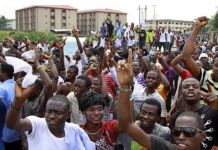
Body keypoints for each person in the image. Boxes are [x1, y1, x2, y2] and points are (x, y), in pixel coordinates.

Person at [114, 48, 207, 150]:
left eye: (189, 132)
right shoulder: (166, 147)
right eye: (177, 132)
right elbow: (127, 124)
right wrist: (125, 86)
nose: (181, 137)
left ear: (203, 136)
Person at [5, 80, 95, 150]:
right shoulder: (37, 124)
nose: (51, 116)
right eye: (49, 111)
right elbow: (13, 125)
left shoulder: (75, 131)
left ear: (68, 114)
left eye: (58, 113)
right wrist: (18, 101)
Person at [181, 16, 218, 110]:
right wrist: (197, 28)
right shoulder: (206, 77)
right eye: (217, 65)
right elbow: (185, 58)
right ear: (212, 66)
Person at [171, 77, 218, 150]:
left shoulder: (213, 112)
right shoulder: (175, 117)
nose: (190, 89)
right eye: (186, 87)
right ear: (180, 93)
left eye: (195, 87)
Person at [0, 63, 21, 150]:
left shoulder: (2, 88)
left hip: (5, 133)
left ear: (4, 74)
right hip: (19, 131)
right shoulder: (19, 85)